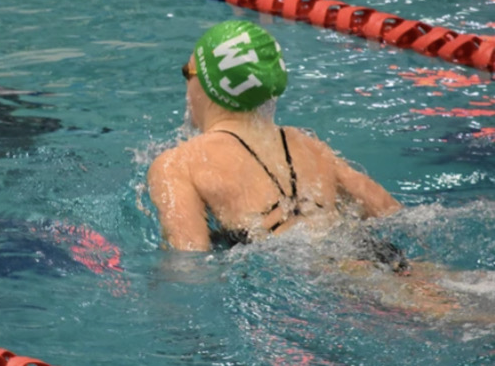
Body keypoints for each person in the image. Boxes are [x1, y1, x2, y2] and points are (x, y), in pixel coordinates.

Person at [148, 20, 403, 254]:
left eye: (186, 72)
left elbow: (187, 262)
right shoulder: (309, 145)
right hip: (368, 253)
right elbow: (392, 213)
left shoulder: (179, 164)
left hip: (308, 276)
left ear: (207, 83)